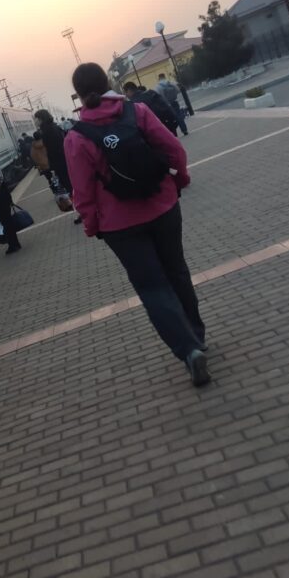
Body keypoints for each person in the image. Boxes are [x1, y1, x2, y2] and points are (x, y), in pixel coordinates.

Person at [65, 62, 209, 387]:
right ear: (109, 83)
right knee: (177, 272)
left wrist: (92, 226)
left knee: (152, 287)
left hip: (120, 227)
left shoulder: (76, 138)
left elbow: (83, 194)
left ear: (78, 94)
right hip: (163, 206)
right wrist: (180, 181)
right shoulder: (137, 111)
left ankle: (188, 350)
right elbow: (173, 149)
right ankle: (197, 337)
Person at [35, 109, 82, 224]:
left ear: (41, 118)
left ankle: (82, 212)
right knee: (72, 187)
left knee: (71, 189)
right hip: (64, 162)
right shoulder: (54, 127)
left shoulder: (47, 131)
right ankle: (82, 211)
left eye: (35, 118)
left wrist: (52, 168)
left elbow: (53, 151)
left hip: (60, 164)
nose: (35, 121)